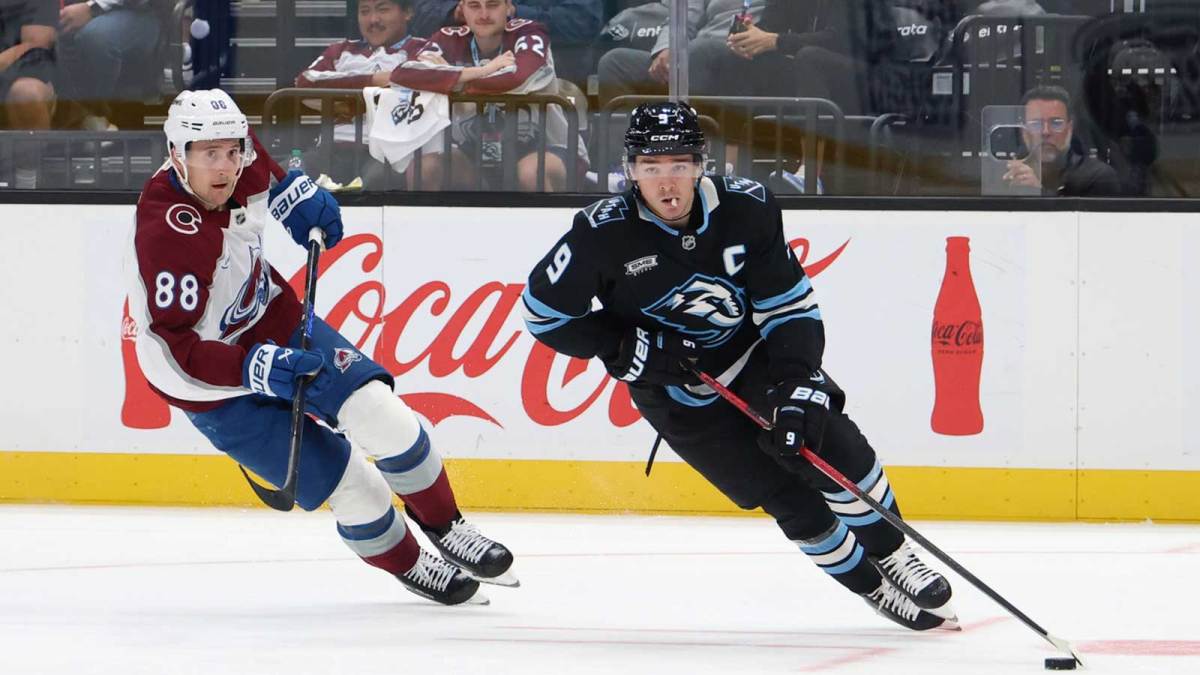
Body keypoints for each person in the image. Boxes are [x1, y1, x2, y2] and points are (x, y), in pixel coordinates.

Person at [521, 101, 957, 631]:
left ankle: (892, 552)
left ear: (701, 164)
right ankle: (870, 586)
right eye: (652, 167)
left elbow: (790, 308)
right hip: (676, 395)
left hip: (755, 359)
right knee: (786, 498)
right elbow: (544, 314)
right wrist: (624, 347)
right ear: (630, 170)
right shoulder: (600, 233)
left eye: (679, 164)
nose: (667, 182)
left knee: (829, 442)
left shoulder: (748, 208)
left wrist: (797, 382)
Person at [125, 89, 517, 606]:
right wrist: (254, 369)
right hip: (209, 383)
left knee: (382, 414)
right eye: (209, 155)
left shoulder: (236, 159)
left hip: (271, 319)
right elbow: (176, 350)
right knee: (351, 485)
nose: (225, 167)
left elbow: (257, 156)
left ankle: (448, 526)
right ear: (178, 155)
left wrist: (293, 190)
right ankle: (412, 563)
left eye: (231, 151)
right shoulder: (168, 233)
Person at [389, 0, 587, 191]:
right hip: (473, 154)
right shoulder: (448, 37)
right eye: (474, 5)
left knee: (530, 173)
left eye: (492, 4)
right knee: (423, 168)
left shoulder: (530, 32)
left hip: (548, 149)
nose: (483, 14)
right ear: (462, 9)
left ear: (509, 7)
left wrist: (448, 79)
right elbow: (403, 75)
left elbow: (519, 79)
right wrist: (480, 72)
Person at [294, 0, 427, 187]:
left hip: (387, 153)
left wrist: (344, 94)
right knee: (283, 178)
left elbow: (421, 79)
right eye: (365, 11)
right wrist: (373, 81)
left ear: (407, 12)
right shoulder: (340, 50)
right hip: (330, 150)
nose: (373, 19)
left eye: (383, 10)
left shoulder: (423, 49)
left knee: (376, 184)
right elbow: (305, 81)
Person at [597, 0, 766, 105]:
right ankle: (625, 157)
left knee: (700, 52)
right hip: (696, 50)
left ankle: (686, 150)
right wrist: (667, 48)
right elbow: (683, 15)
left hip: (744, 54)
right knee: (615, 63)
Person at [408, 0, 602, 84]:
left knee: (535, 169)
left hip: (549, 84)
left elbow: (583, 22)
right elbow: (416, 13)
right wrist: (455, 12)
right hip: (458, 95)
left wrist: (511, 14)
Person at [56, 0, 162, 132]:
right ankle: (71, 118)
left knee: (94, 37)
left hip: (134, 11)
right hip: (67, 9)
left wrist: (93, 7)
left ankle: (95, 115)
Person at [1003, 85, 1121, 197]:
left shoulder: (1098, 176)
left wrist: (1038, 193)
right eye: (1036, 124)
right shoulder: (1006, 174)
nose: (1045, 132)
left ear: (1069, 128)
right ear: (1024, 132)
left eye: (1056, 123)